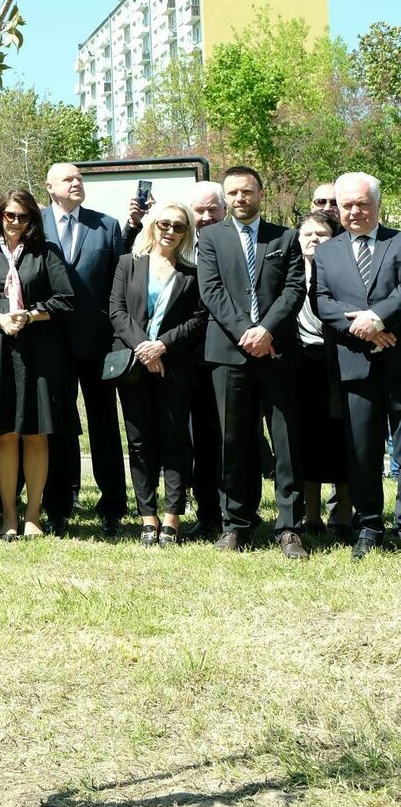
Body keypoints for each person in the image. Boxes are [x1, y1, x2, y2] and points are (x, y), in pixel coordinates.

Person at [195, 164, 306, 558]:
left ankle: (289, 527)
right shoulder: (210, 238)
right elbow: (211, 291)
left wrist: (267, 330)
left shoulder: (285, 237)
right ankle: (236, 524)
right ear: (226, 198)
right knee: (233, 441)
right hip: (229, 352)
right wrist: (247, 331)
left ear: (260, 193)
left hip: (276, 351)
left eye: (248, 191)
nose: (241, 198)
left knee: (286, 440)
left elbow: (295, 289)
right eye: (234, 193)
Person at [0, 188, 74, 541]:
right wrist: (0, 320)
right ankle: (9, 514)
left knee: (35, 433)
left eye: (24, 217)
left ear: (34, 219)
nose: (16, 223)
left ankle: (34, 513)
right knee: (4, 434)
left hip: (39, 351)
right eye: (10, 216)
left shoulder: (46, 253)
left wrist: (30, 315)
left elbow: (65, 300)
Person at [312, 173, 401, 560]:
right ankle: (369, 525)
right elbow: (323, 301)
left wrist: (378, 318)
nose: (354, 211)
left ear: (377, 205)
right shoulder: (328, 251)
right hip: (354, 363)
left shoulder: (397, 241)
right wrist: (362, 327)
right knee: (361, 449)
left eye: (362, 203)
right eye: (347, 204)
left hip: (399, 362)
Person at [108, 202, 205, 545]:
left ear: (187, 233)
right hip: (134, 366)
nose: (170, 231)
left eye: (179, 227)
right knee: (139, 442)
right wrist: (143, 348)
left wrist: (161, 346)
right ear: (152, 225)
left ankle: (171, 518)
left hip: (175, 366)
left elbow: (198, 319)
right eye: (164, 223)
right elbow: (117, 312)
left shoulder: (193, 271)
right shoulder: (129, 264)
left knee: (176, 441)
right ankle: (147, 517)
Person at [41, 163, 128, 536]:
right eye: (68, 179)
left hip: (97, 342)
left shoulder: (106, 226)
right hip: (49, 342)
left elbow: (118, 285)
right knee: (57, 427)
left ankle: (112, 507)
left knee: (105, 425)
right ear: (50, 187)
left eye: (80, 178)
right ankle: (57, 507)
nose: (76, 183)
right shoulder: (35, 223)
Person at [293, 215, 353, 543]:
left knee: (341, 437)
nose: (314, 239)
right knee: (306, 439)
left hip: (339, 361)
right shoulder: (288, 272)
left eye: (322, 233)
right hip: (301, 363)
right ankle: (311, 514)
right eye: (308, 233)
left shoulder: (343, 270)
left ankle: (345, 513)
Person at [183, 182, 227, 540]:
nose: (206, 216)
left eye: (213, 209)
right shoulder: (181, 248)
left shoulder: (235, 245)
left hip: (230, 354)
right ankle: (208, 512)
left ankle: (235, 512)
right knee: (198, 441)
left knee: (229, 439)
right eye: (199, 211)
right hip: (187, 358)